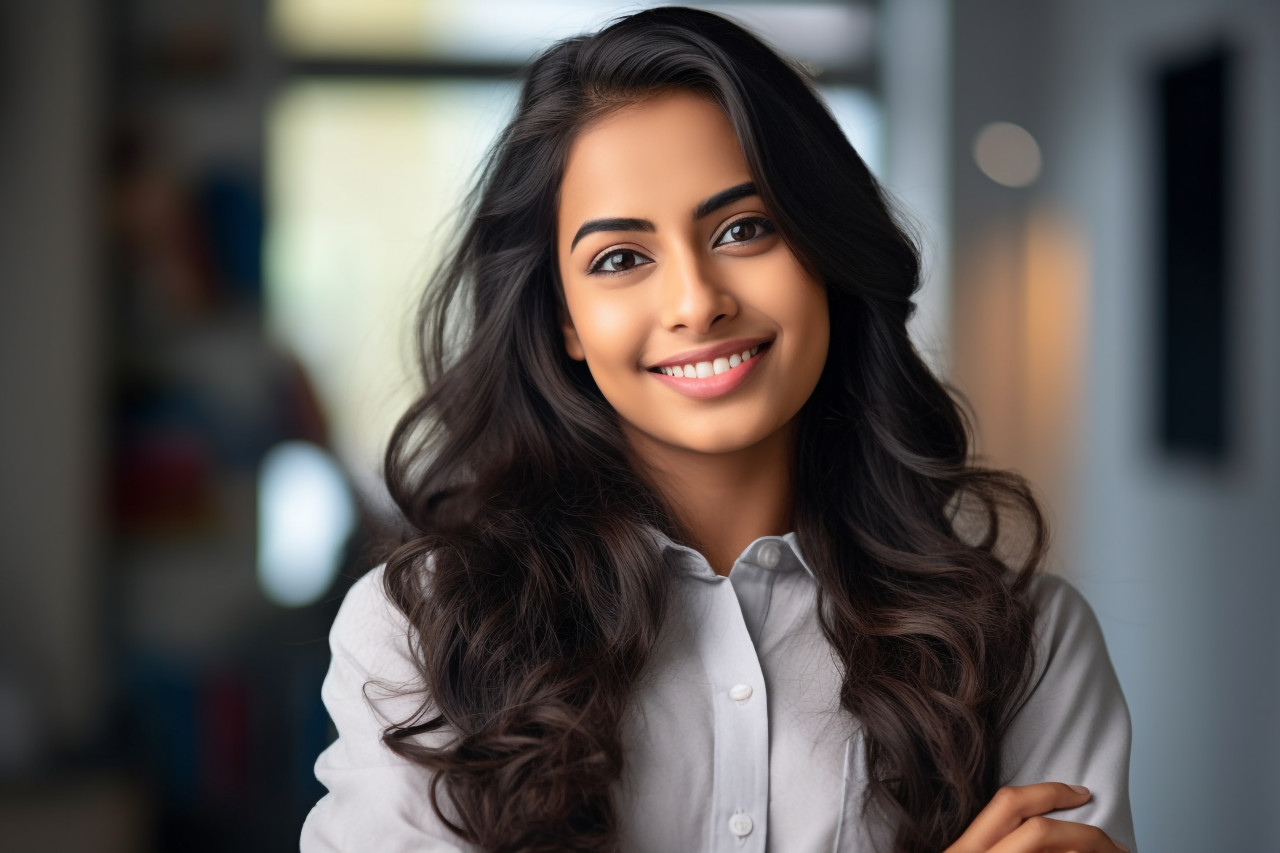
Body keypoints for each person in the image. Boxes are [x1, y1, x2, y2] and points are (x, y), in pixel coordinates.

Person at [300, 7, 1135, 852]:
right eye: (621, 259)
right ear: (566, 322)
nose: (697, 301)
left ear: (823, 253)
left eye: (745, 229)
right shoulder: (423, 630)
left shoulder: (1026, 637)